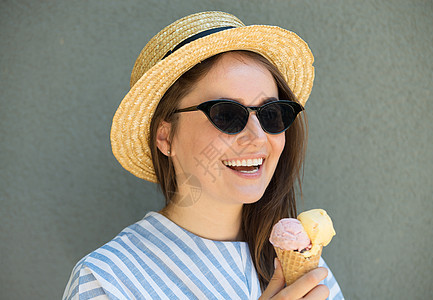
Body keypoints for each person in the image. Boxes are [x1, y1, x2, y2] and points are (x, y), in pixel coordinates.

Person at [63, 11, 344, 299]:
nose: (258, 136)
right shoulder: (106, 281)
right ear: (166, 136)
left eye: (271, 114)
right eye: (226, 115)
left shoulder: (302, 267)